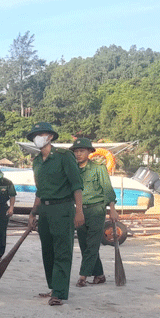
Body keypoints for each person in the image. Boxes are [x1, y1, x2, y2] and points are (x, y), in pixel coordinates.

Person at [26, 122, 84, 306]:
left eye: (41, 134)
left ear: (50, 136)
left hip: (63, 208)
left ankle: (58, 292)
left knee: (62, 250)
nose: (37, 137)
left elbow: (77, 185)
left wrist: (79, 211)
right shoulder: (36, 162)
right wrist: (33, 213)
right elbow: (39, 190)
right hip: (45, 209)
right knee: (48, 250)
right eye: (34, 135)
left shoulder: (64, 156)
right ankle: (53, 286)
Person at [70, 138, 119, 287]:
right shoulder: (72, 169)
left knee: (92, 244)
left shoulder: (98, 168)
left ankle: (83, 276)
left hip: (96, 209)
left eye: (82, 151)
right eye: (76, 151)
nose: (78, 154)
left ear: (89, 152)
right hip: (79, 211)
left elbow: (107, 189)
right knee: (85, 244)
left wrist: (112, 209)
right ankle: (99, 275)